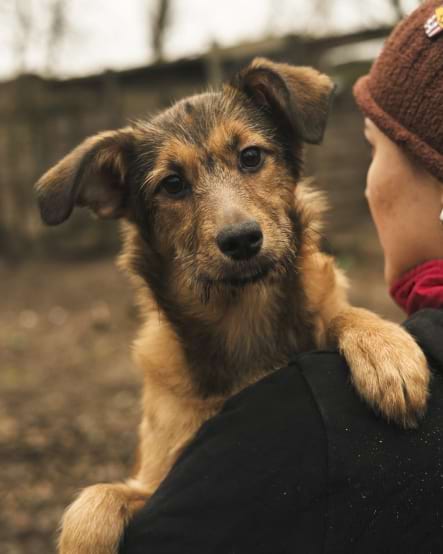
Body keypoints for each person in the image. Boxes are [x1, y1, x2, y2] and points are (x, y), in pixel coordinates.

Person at [120, 2, 443, 552]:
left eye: (251, 158)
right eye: (174, 187)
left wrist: (350, 324)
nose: (235, 223)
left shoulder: (312, 408)